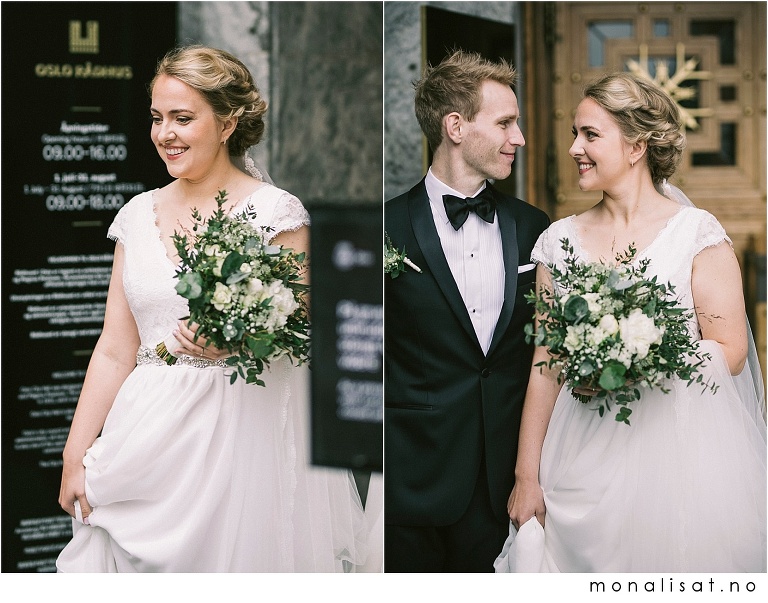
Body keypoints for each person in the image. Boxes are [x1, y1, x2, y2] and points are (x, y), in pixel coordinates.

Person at [56, 45, 370, 572]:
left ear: (227, 123)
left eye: (183, 118)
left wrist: (244, 341)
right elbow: (114, 349)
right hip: (148, 441)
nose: (164, 134)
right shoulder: (136, 216)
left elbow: (313, 329)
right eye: (157, 118)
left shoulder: (273, 212)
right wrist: (74, 453)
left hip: (245, 438)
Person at [498, 72, 766, 572]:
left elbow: (728, 349)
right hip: (578, 456)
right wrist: (526, 476)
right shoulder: (558, 242)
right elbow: (546, 362)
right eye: (575, 133)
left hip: (675, 458)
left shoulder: (696, 235)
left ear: (637, 144)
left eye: (590, 135)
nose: (575, 147)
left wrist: (641, 358)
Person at [384, 49, 550, 572]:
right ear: (455, 126)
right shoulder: (383, 228)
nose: (519, 138)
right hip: (411, 481)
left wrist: (529, 473)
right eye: (505, 122)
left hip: (506, 481)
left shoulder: (532, 226)